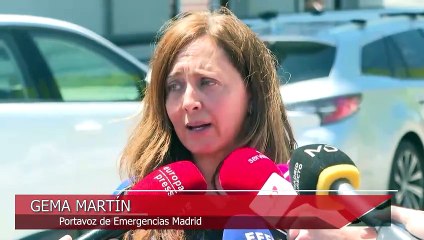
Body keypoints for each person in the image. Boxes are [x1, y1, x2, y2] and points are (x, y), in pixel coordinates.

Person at [60, 7, 378, 240]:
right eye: (174, 86)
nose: (189, 101)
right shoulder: (136, 195)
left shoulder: (299, 194)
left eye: (207, 82)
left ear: (252, 95)